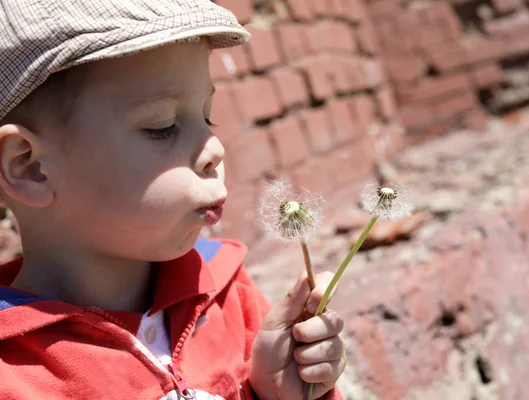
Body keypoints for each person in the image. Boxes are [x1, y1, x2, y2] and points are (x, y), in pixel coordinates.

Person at [0, 1, 346, 399]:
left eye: (207, 116)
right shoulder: (15, 375)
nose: (213, 147)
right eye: (162, 127)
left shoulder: (225, 292)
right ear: (29, 166)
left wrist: (272, 393)